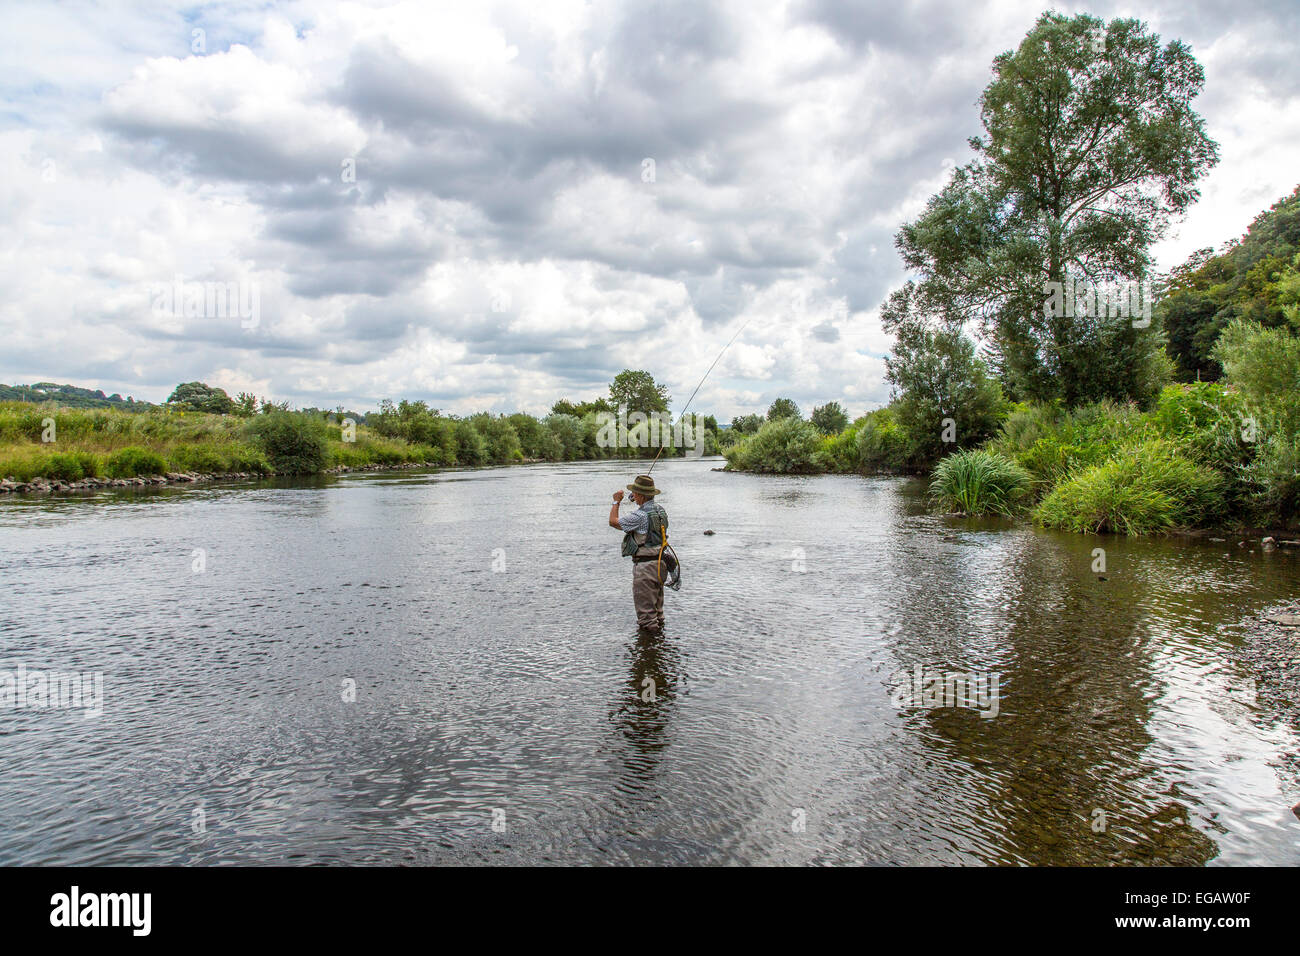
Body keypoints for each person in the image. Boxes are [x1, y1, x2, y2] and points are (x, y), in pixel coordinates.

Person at [608, 475, 669, 636]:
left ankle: (649, 655)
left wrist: (616, 502)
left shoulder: (639, 516)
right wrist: (635, 498)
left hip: (646, 569)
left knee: (647, 619)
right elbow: (644, 511)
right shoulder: (660, 510)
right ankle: (660, 648)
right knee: (657, 613)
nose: (633, 495)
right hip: (661, 565)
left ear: (640, 495)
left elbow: (613, 521)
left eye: (635, 493)